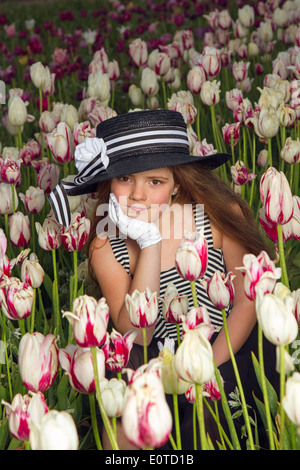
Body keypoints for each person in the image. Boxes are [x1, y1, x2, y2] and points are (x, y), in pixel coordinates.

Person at [49, 109, 279, 450]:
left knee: (205, 422)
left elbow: (248, 299)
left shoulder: (218, 217)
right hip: (151, 351)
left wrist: (203, 367)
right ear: (109, 182)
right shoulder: (104, 244)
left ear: (176, 185)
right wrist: (149, 242)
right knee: (124, 422)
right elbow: (138, 332)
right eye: (125, 179)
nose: (138, 194)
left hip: (224, 343)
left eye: (155, 181)